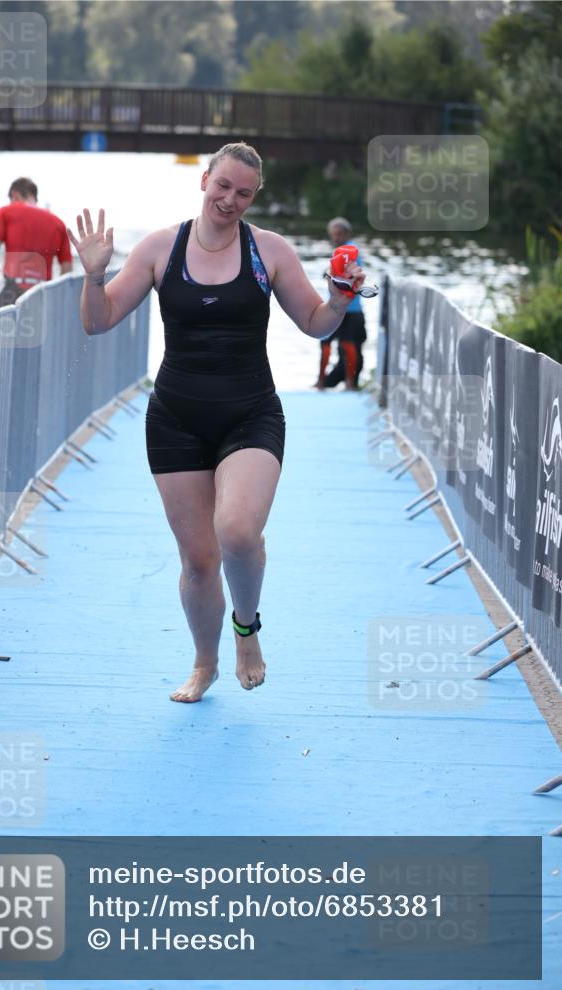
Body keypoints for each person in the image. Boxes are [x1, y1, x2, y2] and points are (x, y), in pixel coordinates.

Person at [68, 143, 364, 703]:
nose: (229, 200)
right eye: (222, 185)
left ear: (254, 197)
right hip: (176, 419)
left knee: (238, 532)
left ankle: (246, 630)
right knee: (200, 563)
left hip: (250, 413)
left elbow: (315, 324)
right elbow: (98, 320)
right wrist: (93, 276)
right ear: (204, 179)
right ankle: (204, 664)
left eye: (244, 193)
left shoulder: (268, 251)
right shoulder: (161, 247)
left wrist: (339, 299)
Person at [0, 177, 72, 308]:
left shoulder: (6, 211)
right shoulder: (59, 224)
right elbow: (67, 270)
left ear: (15, 195)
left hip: (13, 289)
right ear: (34, 196)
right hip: (42, 293)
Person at [315, 217, 367, 391]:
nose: (335, 238)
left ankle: (349, 384)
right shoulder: (340, 250)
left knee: (348, 345)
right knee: (327, 343)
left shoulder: (352, 250)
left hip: (351, 310)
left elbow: (344, 272)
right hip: (336, 307)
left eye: (338, 234)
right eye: (333, 235)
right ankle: (322, 382)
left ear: (346, 234)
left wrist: (329, 272)